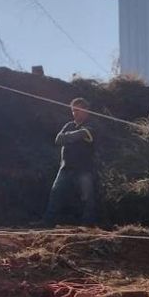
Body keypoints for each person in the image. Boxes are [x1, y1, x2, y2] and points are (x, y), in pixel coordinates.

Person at [42, 97, 98, 227]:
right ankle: (47, 223)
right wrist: (74, 136)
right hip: (65, 168)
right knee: (56, 194)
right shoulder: (69, 125)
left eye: (78, 110)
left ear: (86, 110)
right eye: (73, 111)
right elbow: (58, 139)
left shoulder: (92, 125)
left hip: (84, 169)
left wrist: (69, 136)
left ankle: (87, 226)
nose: (75, 113)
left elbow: (81, 134)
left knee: (87, 197)